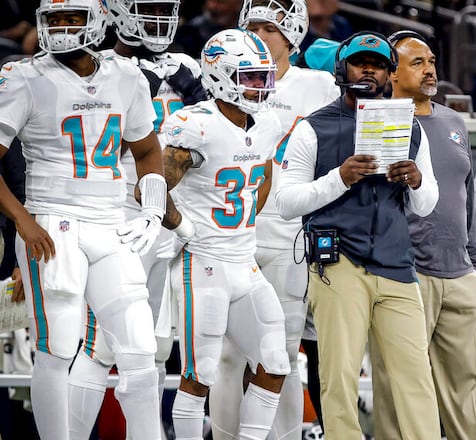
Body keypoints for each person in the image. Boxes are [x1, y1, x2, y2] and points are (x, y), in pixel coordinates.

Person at [0, 0, 168, 438]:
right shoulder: (24, 78)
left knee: (139, 350)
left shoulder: (127, 76)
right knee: (57, 349)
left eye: (71, 18)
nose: (61, 27)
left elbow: (148, 152)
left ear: (97, 21)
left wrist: (151, 207)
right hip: (53, 222)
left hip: (111, 223)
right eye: (54, 19)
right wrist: (22, 219)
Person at [275, 32, 441, 439]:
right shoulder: (313, 128)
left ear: (390, 74)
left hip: (398, 265)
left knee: (416, 377)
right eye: (359, 62)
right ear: (341, 68)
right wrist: (340, 178)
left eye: (379, 64)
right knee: (338, 376)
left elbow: (426, 205)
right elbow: (286, 201)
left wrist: (417, 182)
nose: (369, 69)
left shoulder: (410, 127)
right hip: (340, 264)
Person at [65, 1, 207, 436]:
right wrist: (132, 90)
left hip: (170, 216)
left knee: (156, 346)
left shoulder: (186, 65)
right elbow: (94, 149)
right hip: (118, 218)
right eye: (148, 8)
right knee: (103, 345)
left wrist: (200, 106)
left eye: (166, 8)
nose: (158, 19)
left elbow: (216, 139)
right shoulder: (101, 68)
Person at [208, 1, 340, 439]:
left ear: (292, 35)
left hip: (290, 237)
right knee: (225, 356)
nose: (259, 36)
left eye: (269, 29)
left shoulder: (318, 85)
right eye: (254, 28)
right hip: (233, 235)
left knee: (281, 353)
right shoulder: (224, 81)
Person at [159, 28, 290, 439]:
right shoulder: (194, 124)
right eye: (250, 77)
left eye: (262, 77)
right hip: (204, 264)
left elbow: (263, 176)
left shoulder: (267, 123)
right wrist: (184, 228)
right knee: (201, 373)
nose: (259, 87)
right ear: (219, 75)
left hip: (243, 260)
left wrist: (246, 219)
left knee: (275, 363)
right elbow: (152, 187)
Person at [367, 30, 476, 440]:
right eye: (417, 63)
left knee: (468, 391)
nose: (429, 69)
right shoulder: (377, 121)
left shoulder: (454, 121)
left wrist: (473, 259)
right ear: (392, 72)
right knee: (399, 391)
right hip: (405, 275)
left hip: (459, 274)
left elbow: (465, 193)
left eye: (432, 61)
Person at [172, 0, 243, 58]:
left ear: (238, 4)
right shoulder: (190, 31)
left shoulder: (247, 32)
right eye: (210, 1)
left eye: (220, 2)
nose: (212, 6)